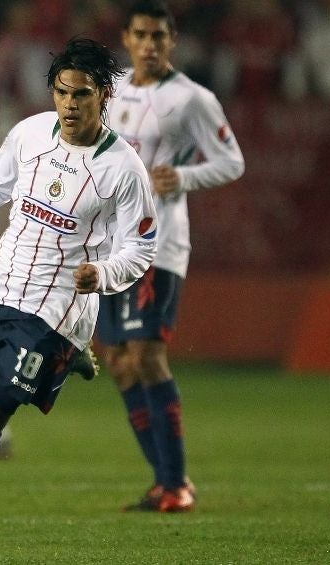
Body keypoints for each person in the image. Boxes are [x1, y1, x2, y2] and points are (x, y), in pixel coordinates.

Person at [0, 37, 157, 532]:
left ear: (103, 95)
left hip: (55, 311)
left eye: (81, 94)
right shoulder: (29, 134)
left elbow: (142, 248)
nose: (69, 103)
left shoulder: (124, 169)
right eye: (62, 92)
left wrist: (104, 274)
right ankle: (73, 360)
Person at [99, 0, 244, 513]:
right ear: (128, 38)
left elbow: (232, 161)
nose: (151, 45)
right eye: (142, 35)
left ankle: (176, 482)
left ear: (172, 41)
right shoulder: (110, 88)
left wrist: (182, 177)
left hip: (159, 244)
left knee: (146, 355)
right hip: (110, 244)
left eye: (160, 36)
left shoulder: (192, 99)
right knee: (118, 362)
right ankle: (163, 482)